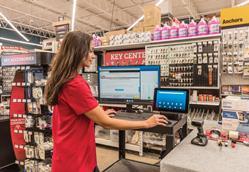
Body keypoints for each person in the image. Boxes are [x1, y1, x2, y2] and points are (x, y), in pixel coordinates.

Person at [45, 31, 168, 172]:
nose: (93, 55)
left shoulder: (63, 78)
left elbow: (73, 115)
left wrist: (98, 115)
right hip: (77, 162)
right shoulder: (75, 84)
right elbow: (106, 123)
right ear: (78, 51)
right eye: (90, 50)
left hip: (68, 156)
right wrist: (146, 123)